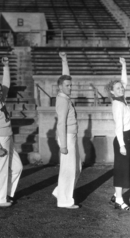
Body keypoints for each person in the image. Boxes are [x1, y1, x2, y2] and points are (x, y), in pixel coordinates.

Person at [0, 57, 23, 207]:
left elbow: (6, 83)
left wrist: (6, 66)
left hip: (9, 139)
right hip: (0, 141)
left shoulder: (1, 101)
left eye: (0, 91)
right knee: (0, 170)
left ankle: (6, 194)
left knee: (17, 167)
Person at [104, 57, 130, 211]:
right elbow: (118, 127)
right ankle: (119, 201)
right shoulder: (117, 104)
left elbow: (124, 82)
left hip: (126, 139)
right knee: (121, 171)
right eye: (117, 88)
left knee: (125, 170)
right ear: (112, 92)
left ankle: (116, 196)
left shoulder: (122, 99)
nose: (121, 89)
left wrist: (124, 65)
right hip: (122, 140)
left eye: (121, 88)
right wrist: (122, 145)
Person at [52, 52, 81, 209]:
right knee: (68, 169)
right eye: (67, 85)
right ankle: (64, 201)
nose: (70, 87)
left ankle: (60, 192)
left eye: (71, 85)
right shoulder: (62, 101)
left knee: (77, 168)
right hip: (67, 137)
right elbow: (61, 123)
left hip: (71, 136)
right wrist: (63, 145)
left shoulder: (65, 97)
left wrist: (64, 60)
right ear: (60, 87)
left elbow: (65, 77)